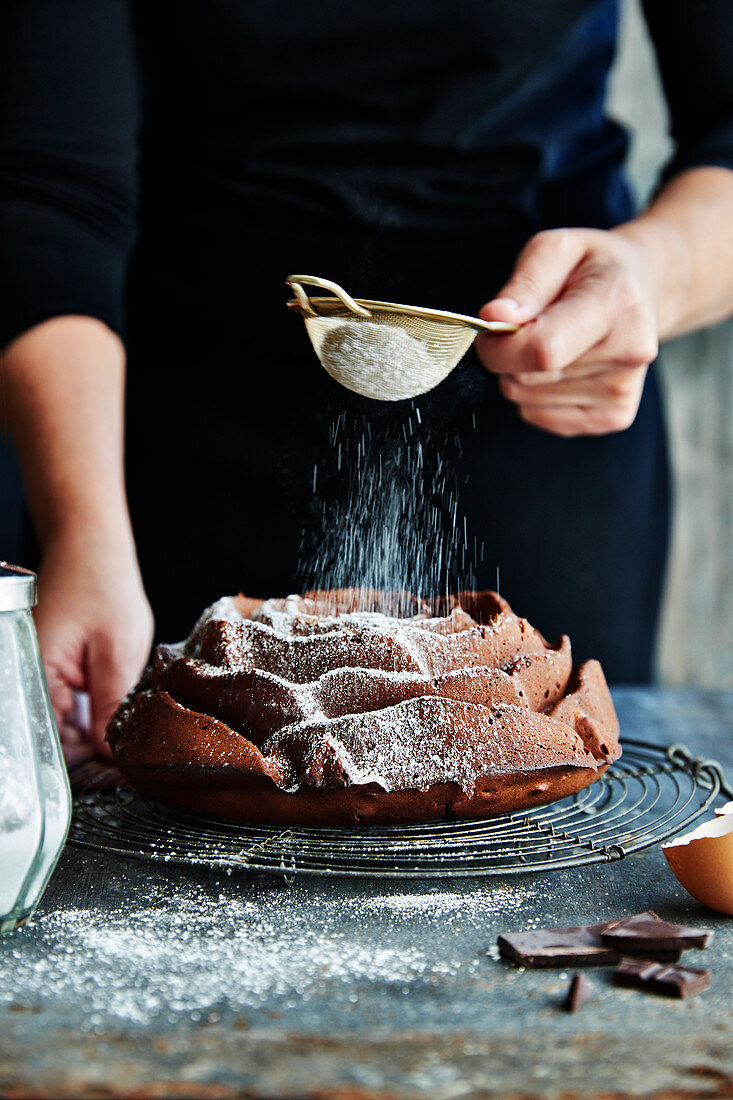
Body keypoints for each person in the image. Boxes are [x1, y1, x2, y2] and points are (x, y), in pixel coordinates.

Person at [2, 1, 733, 764]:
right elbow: (52, 181)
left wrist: (650, 275)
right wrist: (81, 530)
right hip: (155, 436)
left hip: (541, 427)